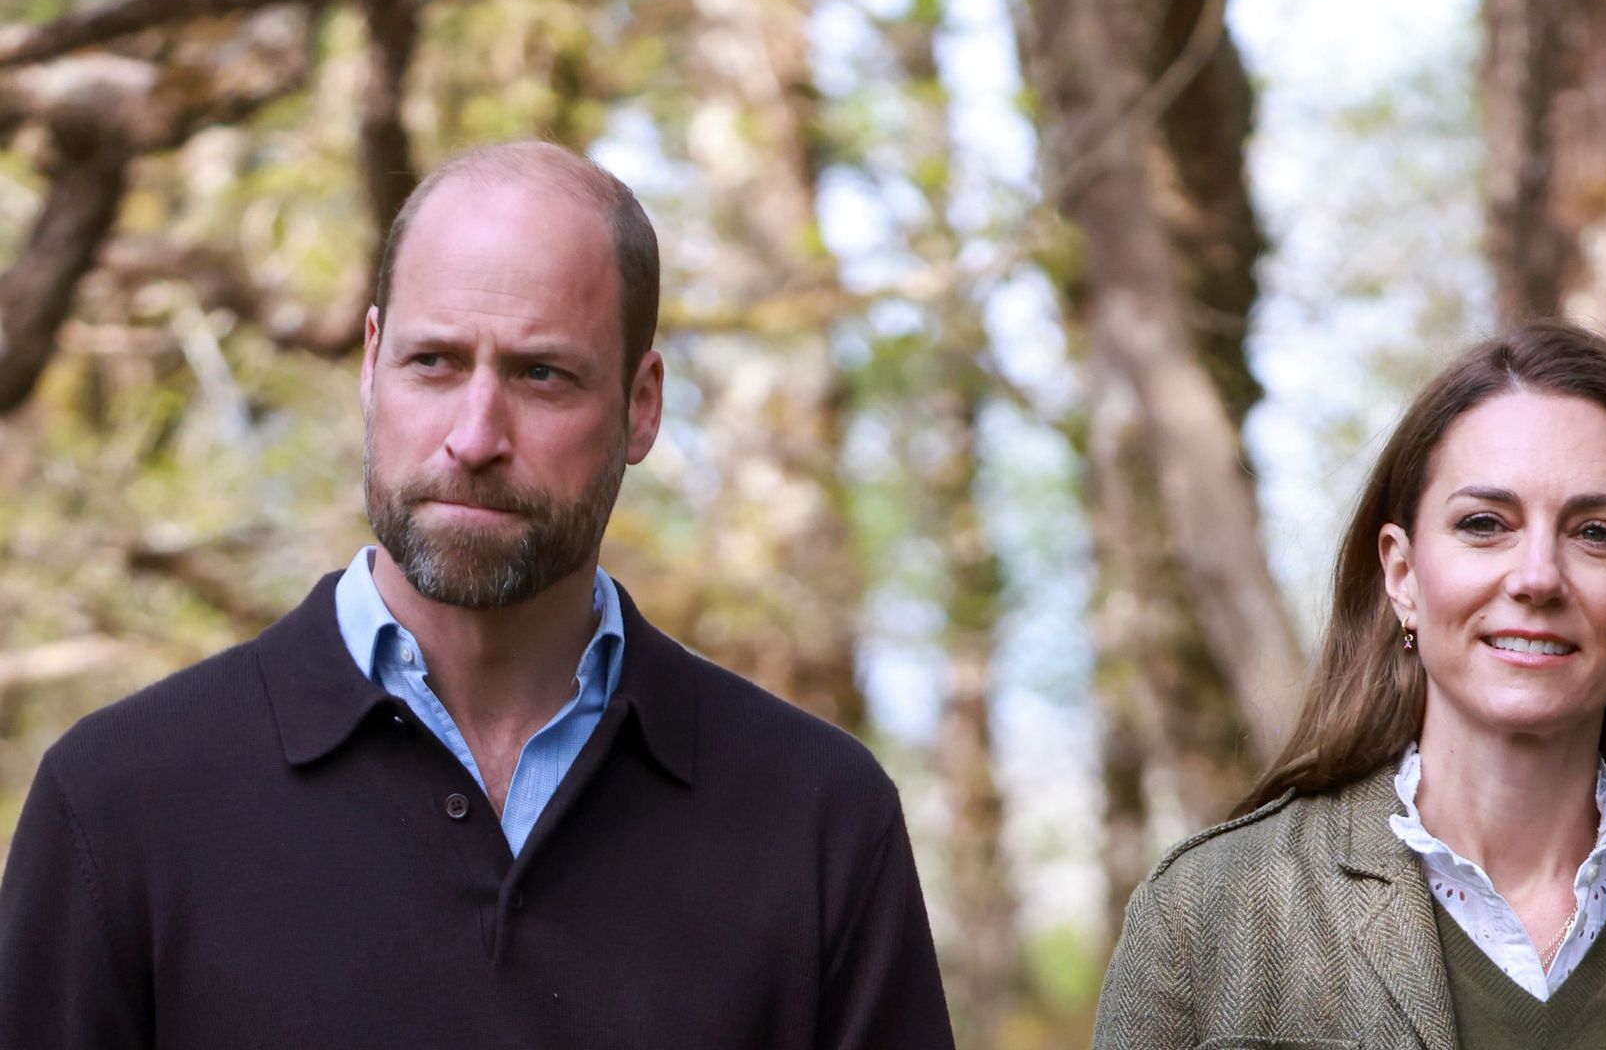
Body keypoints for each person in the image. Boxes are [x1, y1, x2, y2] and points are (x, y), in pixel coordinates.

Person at [0, 141, 955, 1049]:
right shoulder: (118, 804)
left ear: (642, 405)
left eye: (542, 375)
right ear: (371, 365)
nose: (475, 436)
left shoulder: (818, 819)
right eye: (435, 363)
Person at [1094, 320, 1606, 1049]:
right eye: (1484, 523)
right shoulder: (1206, 913)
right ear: (1403, 574)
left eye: (1596, 533)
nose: (1537, 577)